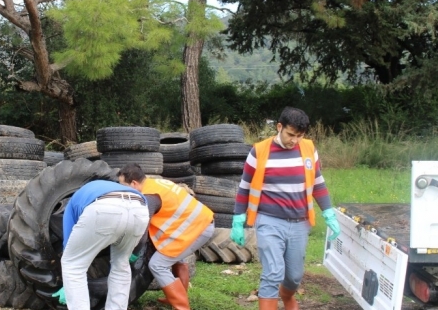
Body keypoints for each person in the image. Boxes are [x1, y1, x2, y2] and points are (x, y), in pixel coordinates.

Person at [231, 106, 341, 310]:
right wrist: (238, 218)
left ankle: (287, 296)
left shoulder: (309, 149)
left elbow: (318, 183)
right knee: (273, 272)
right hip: (269, 220)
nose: (295, 140)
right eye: (291, 134)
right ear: (279, 127)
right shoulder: (259, 151)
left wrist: (328, 212)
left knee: (294, 277)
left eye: (300, 136)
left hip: (300, 223)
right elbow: (244, 187)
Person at [118, 164, 214, 310]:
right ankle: (175, 296)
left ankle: (182, 307)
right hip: (196, 224)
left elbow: (143, 229)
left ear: (134, 183)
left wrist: (134, 252)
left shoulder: (149, 196)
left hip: (198, 228)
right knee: (177, 259)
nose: (123, 190)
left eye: (124, 186)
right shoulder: (156, 183)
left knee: (157, 264)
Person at [52, 179, 150, 310]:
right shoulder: (107, 187)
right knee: (121, 264)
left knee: (72, 264)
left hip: (104, 207)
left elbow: (68, 241)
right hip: (140, 208)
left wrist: (69, 283)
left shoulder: (73, 203)